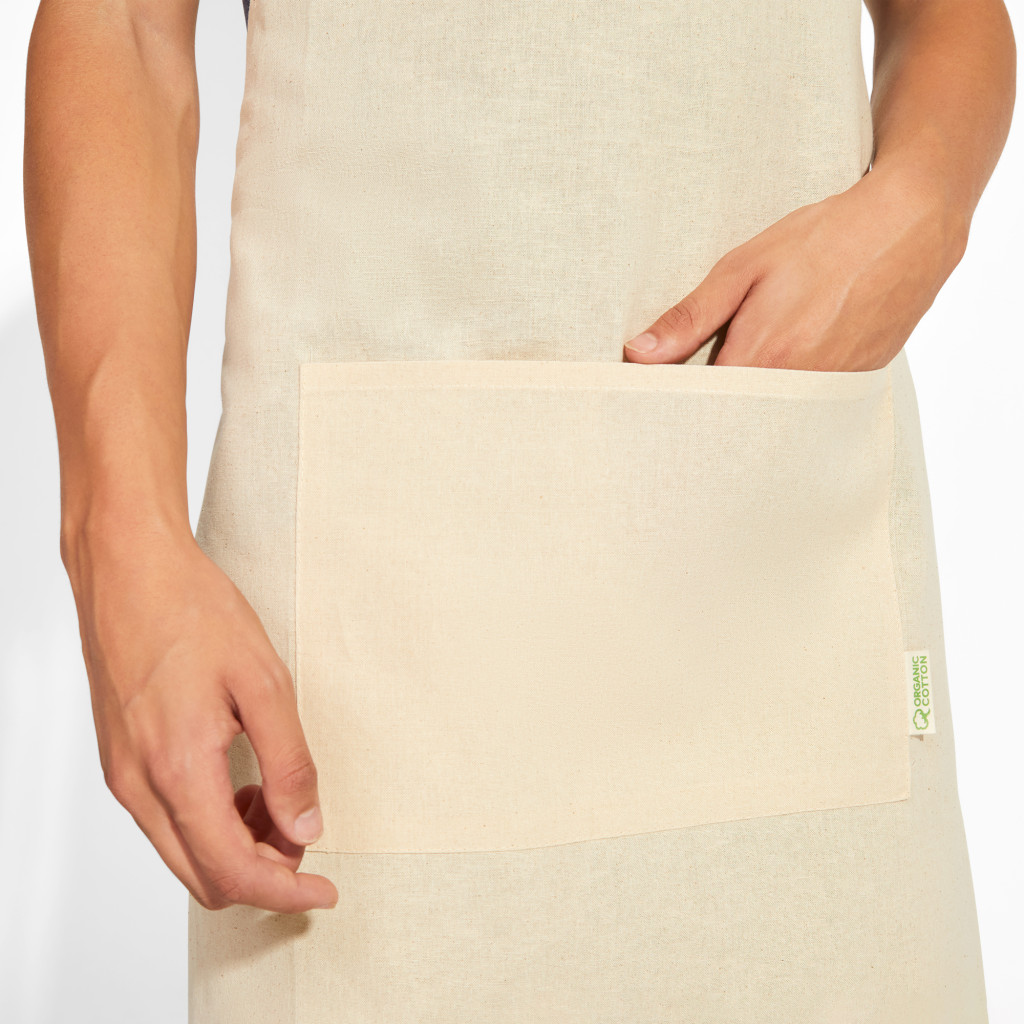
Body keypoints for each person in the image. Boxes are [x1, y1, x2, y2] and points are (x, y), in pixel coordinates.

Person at [24, 0, 1015, 1020]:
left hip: (782, 565)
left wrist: (925, 198)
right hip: (383, 653)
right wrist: (120, 542)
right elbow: (122, 27)